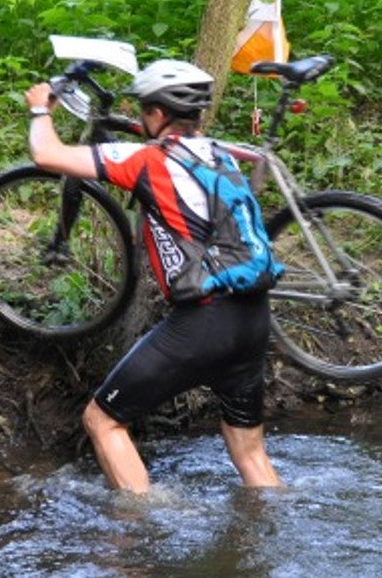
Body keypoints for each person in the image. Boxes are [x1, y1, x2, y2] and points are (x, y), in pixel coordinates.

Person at [23, 59, 282, 494]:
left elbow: (47, 156)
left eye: (145, 110)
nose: (142, 118)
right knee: (249, 452)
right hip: (254, 317)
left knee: (102, 421)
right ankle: (275, 526)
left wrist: (40, 110)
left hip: (203, 323)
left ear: (159, 115)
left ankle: (147, 530)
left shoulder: (147, 160)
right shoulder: (223, 156)